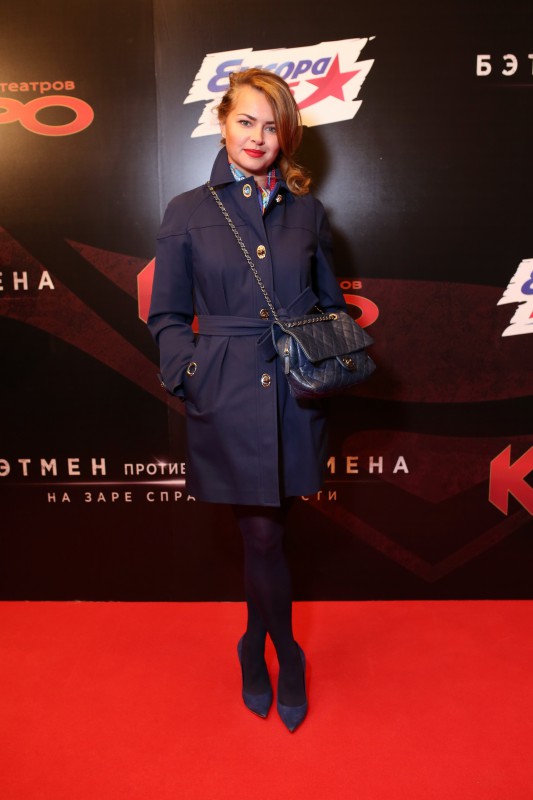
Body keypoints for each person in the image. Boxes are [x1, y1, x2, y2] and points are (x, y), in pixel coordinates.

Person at [148, 68, 347, 732]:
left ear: (285, 135)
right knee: (260, 534)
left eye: (271, 126)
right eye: (245, 121)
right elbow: (166, 314)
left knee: (273, 535)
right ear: (222, 122)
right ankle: (284, 653)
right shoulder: (186, 211)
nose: (258, 137)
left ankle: (252, 638)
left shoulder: (308, 213)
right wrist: (191, 372)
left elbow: (330, 304)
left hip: (296, 395)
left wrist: (321, 366)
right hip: (226, 391)